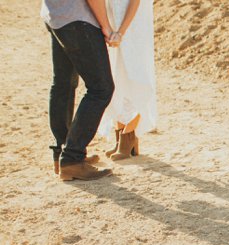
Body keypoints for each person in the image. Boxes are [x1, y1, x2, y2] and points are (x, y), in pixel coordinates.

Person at [42, 0, 117, 181]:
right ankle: (72, 158)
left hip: (55, 15)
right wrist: (106, 26)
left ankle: (62, 153)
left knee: (63, 84)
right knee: (101, 89)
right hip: (78, 20)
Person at [100, 0, 157, 161]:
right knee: (116, 77)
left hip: (132, 25)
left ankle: (129, 136)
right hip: (113, 22)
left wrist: (121, 31)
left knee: (135, 75)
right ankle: (120, 134)